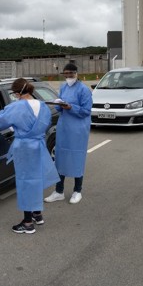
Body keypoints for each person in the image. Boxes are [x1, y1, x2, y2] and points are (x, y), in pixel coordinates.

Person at [0, 78, 59, 234]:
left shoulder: (16, 107)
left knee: (25, 182)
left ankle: (27, 222)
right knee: (35, 179)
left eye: (15, 94)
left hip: (24, 148)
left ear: (17, 93)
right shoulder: (43, 106)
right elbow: (46, 123)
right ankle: (37, 214)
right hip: (39, 145)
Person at [44, 63, 93, 204]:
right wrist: (58, 104)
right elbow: (61, 109)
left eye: (71, 73)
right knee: (60, 158)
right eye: (65, 74)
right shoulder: (63, 87)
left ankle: (78, 190)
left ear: (76, 73)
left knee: (76, 158)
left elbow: (86, 111)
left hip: (78, 130)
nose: (68, 76)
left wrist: (70, 107)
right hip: (64, 128)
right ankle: (59, 191)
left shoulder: (84, 90)